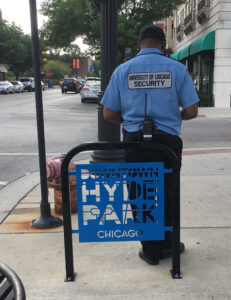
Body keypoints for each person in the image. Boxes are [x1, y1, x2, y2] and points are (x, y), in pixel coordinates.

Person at [100, 25, 199, 265]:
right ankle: (170, 243)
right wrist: (175, 118)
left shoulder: (122, 71)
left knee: (139, 194)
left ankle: (151, 250)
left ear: (139, 45)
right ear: (162, 44)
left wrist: (131, 121)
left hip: (135, 143)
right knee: (168, 191)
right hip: (167, 142)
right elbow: (192, 111)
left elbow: (109, 114)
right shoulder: (178, 70)